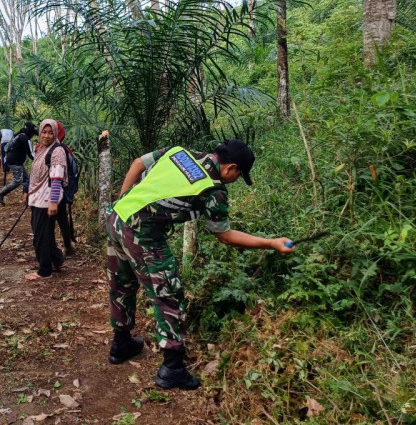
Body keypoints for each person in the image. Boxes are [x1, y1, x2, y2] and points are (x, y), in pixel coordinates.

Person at [105, 140, 295, 390]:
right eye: (239, 175)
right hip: (142, 233)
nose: (236, 179)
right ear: (231, 168)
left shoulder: (180, 152)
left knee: (122, 283)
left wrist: (123, 199)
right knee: (169, 294)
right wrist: (271, 243)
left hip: (116, 217)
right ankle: (172, 367)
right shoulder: (213, 190)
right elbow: (225, 235)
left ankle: (121, 343)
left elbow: (138, 163)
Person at [23, 120, 66, 281]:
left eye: (50, 132)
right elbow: (34, 172)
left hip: (46, 198)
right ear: (39, 132)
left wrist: (53, 201)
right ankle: (57, 260)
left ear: (55, 133)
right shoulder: (42, 149)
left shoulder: (57, 151)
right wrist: (27, 190)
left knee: (41, 235)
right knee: (44, 232)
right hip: (37, 196)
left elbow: (57, 177)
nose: (46, 136)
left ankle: (44, 270)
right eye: (44, 132)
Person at [0, 121, 36, 205]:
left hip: (13, 160)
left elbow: (7, 147)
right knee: (17, 180)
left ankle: (27, 197)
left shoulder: (19, 135)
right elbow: (30, 153)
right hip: (16, 162)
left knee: (26, 178)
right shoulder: (24, 138)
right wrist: (38, 160)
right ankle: (0, 194)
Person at [54, 122, 78, 256]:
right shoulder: (66, 149)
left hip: (57, 189)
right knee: (62, 218)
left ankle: (62, 247)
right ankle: (67, 246)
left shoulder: (59, 150)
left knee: (57, 218)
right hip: (63, 189)